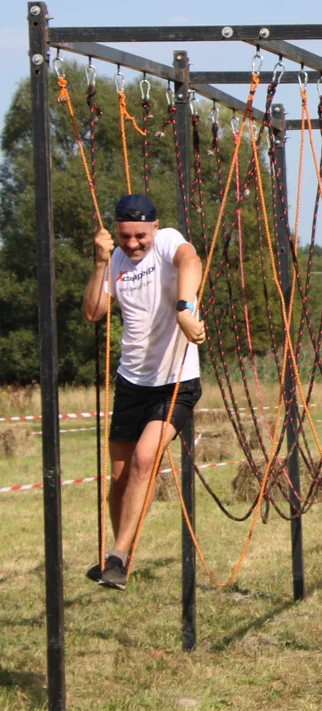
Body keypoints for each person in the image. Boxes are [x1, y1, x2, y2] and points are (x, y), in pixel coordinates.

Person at [82, 194, 206, 590]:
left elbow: (191, 261)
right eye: (124, 236)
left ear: (154, 227)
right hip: (131, 382)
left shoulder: (168, 241)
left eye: (139, 235)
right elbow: (92, 312)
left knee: (143, 460)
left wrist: (185, 308)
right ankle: (119, 555)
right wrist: (101, 262)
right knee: (119, 480)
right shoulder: (115, 260)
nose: (132, 244)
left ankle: (118, 557)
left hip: (176, 382)